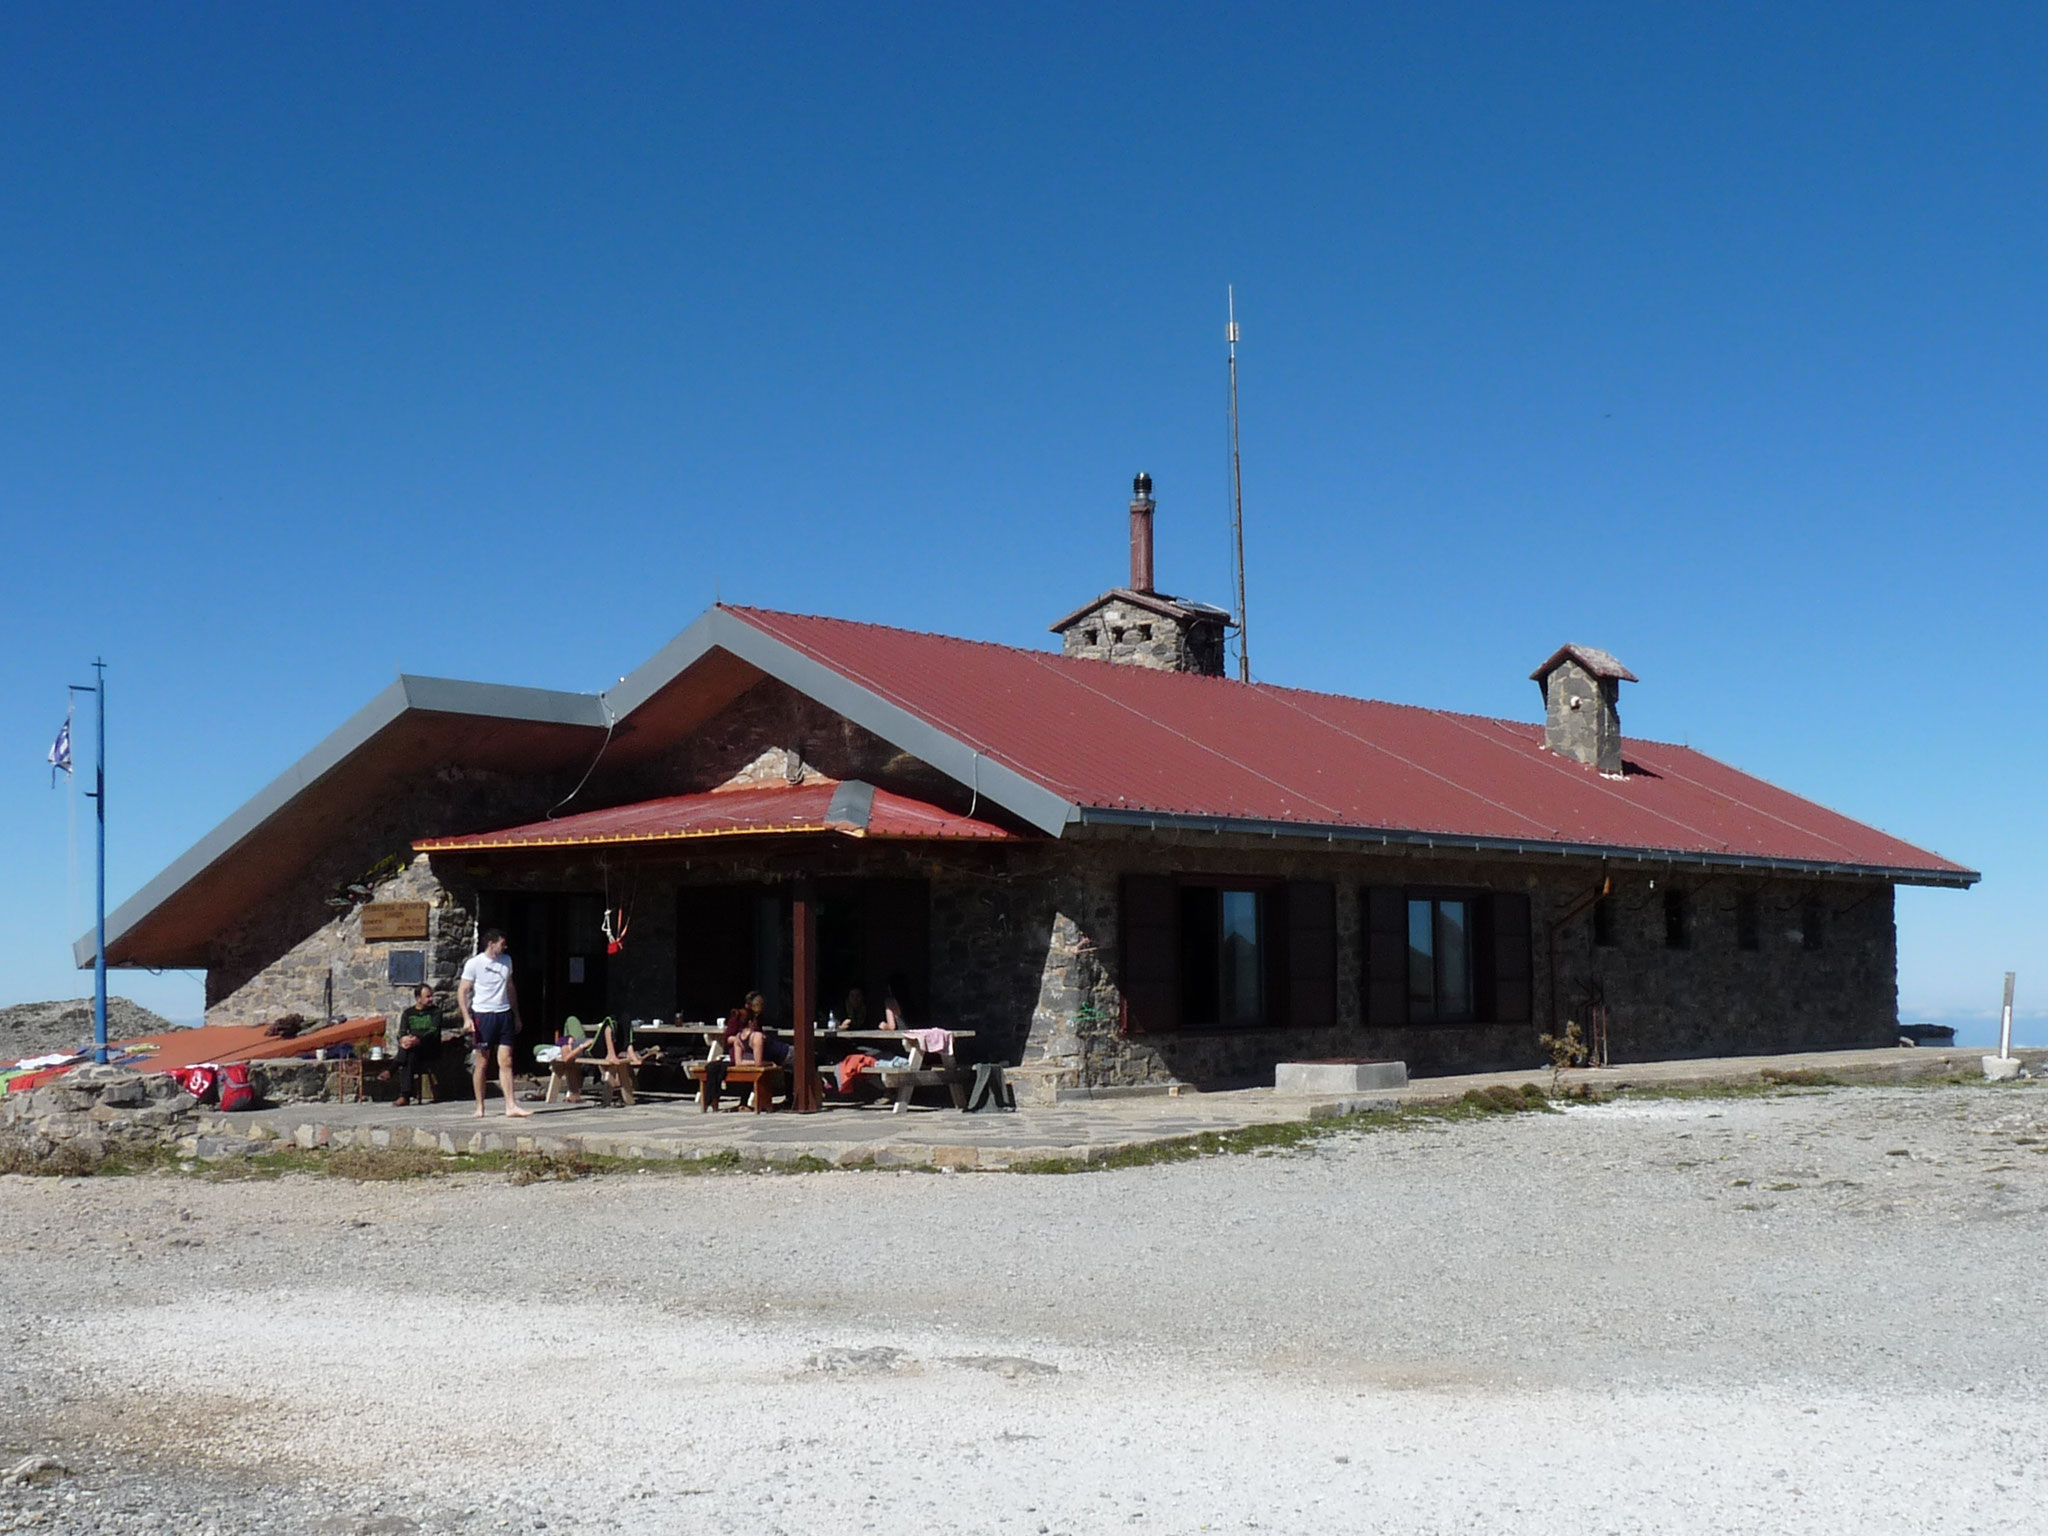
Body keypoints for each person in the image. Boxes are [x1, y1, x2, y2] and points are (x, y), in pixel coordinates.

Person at [460, 930, 531, 1118]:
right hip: (483, 1015)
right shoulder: (474, 963)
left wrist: (515, 1015)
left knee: (506, 1060)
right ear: (491, 943)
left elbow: (510, 986)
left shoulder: (507, 961)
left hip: (504, 1013)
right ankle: (480, 1106)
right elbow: (463, 990)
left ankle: (511, 1105)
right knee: (482, 1061)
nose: (504, 946)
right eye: (502, 943)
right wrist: (467, 1018)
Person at [393, 984, 443, 1106]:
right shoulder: (408, 1013)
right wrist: (404, 1040)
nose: (431, 999)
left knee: (409, 1052)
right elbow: (401, 1032)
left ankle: (393, 1070)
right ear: (418, 998)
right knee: (409, 1053)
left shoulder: (436, 1012)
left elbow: (433, 1031)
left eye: (432, 996)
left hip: (429, 1048)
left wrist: (418, 1039)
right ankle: (405, 1095)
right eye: (428, 996)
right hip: (413, 1050)